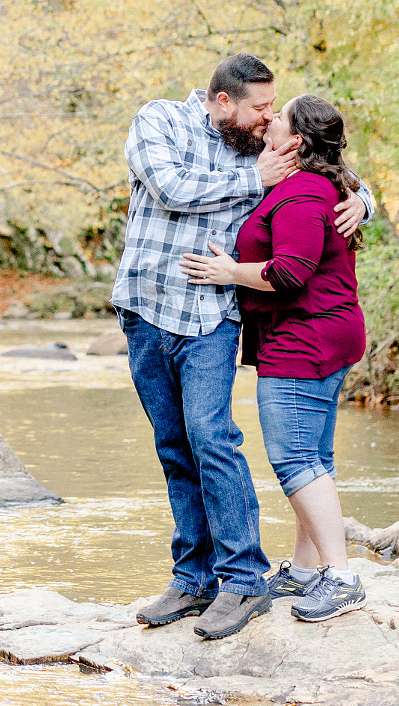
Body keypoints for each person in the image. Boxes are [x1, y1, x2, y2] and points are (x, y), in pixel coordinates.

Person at [110, 56, 370, 641]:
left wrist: (362, 200)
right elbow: (171, 189)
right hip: (147, 307)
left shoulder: (259, 143)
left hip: (211, 316)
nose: (268, 118)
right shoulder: (161, 124)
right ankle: (192, 577)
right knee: (174, 447)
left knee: (212, 440)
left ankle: (244, 580)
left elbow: (324, 170)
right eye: (259, 108)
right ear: (223, 101)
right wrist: (256, 180)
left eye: (272, 110)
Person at [180, 93, 369, 622]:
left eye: (279, 116)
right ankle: (308, 571)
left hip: (305, 340)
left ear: (297, 141)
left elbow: (289, 273)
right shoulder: (306, 183)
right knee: (315, 457)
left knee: (295, 460)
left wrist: (230, 273)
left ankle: (342, 577)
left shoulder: (303, 193)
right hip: (320, 336)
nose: (269, 119)